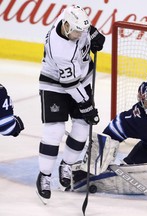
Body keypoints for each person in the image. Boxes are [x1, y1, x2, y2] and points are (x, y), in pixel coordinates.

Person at [36, 5, 105, 203]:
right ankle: (45, 176)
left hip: (81, 79)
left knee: (82, 127)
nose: (78, 34)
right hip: (55, 84)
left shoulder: (71, 18)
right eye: (76, 31)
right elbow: (69, 84)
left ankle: (66, 165)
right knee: (54, 131)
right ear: (65, 26)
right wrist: (87, 106)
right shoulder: (59, 50)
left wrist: (94, 34)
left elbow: (85, 25)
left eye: (81, 31)